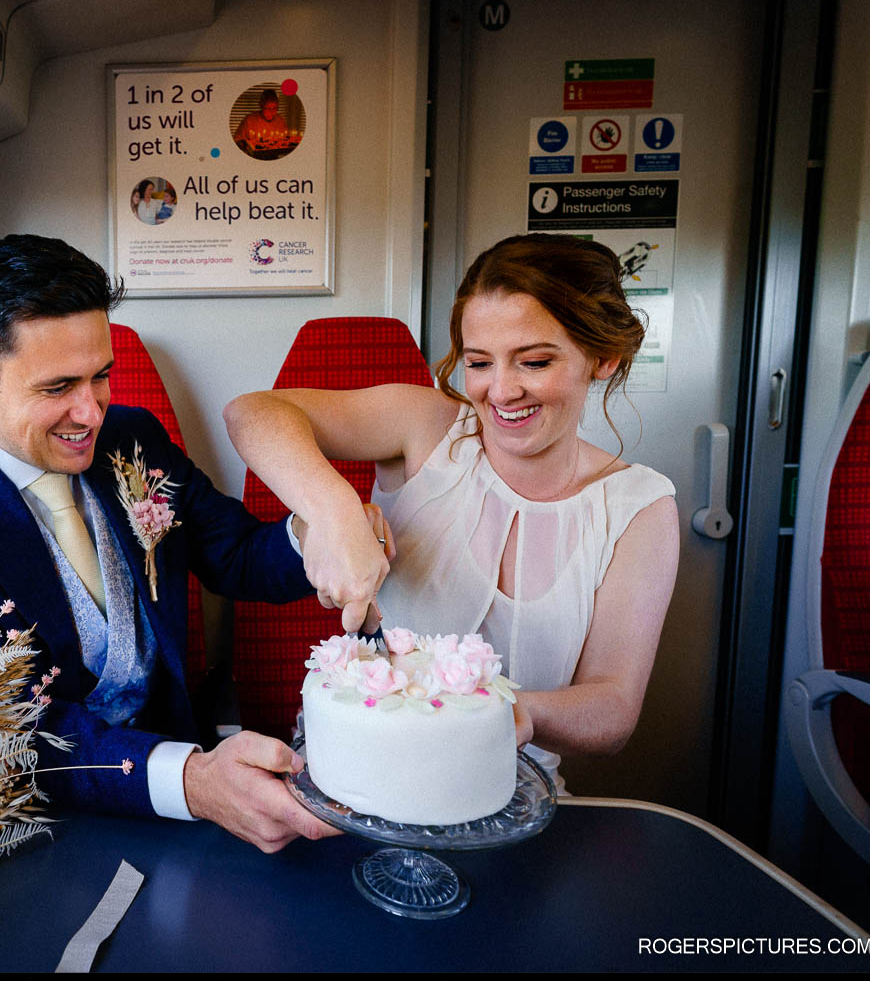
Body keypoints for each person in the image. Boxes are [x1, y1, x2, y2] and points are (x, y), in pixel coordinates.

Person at [0, 234, 349, 852]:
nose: (91, 413)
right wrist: (190, 781)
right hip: (35, 821)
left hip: (179, 773)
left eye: (101, 376)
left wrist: (323, 530)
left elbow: (237, 556)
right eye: (57, 389)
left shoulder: (133, 437)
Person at [223, 233, 680, 790]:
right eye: (479, 362)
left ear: (603, 357)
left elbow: (612, 712)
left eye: (534, 362)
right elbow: (253, 413)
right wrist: (336, 512)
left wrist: (502, 712)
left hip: (516, 795)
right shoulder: (426, 427)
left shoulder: (641, 508)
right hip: (358, 779)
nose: (501, 391)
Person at [233, 89, 298, 157]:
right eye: (268, 108)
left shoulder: (280, 120)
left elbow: (285, 141)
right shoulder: (250, 120)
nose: (271, 112)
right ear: (261, 105)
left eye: (275, 108)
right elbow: (238, 140)